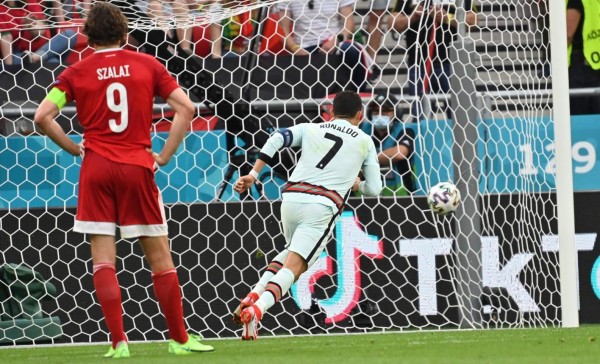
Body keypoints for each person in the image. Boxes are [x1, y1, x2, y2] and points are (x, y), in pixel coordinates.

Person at [33, 2, 214, 358]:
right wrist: (163, 156)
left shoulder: (75, 72)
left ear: (86, 37)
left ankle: (119, 343)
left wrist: (73, 148)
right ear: (126, 34)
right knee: (160, 259)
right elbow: (187, 108)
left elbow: (42, 116)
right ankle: (179, 339)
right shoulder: (148, 64)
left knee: (103, 260)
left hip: (96, 169)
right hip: (137, 166)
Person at [231, 90, 383, 340]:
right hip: (321, 205)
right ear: (360, 114)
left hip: (290, 199)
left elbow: (277, 137)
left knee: (290, 253)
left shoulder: (311, 128)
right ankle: (258, 310)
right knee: (297, 266)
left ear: (331, 112)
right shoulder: (365, 140)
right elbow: (375, 189)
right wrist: (357, 185)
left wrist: (254, 174)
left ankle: (253, 296)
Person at [391, 0, 477, 121]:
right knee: (420, 117)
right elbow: (392, 24)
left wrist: (448, 17)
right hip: (419, 65)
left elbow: (473, 21)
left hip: (452, 64)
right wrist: (412, 17)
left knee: (459, 116)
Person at [278, 0, 370, 92]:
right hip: (303, 47)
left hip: (334, 43)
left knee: (352, 50)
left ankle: (359, 94)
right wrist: (295, 48)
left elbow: (349, 24)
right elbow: (283, 29)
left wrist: (336, 40)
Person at [360, 93, 415, 196]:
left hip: (401, 196)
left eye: (385, 111)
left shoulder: (405, 129)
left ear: (395, 113)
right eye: (376, 111)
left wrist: (367, 160)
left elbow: (400, 153)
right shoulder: (363, 129)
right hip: (367, 196)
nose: (380, 115)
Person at [0, 0, 77, 66]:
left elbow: (41, 30)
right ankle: (36, 58)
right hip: (18, 53)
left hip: (42, 49)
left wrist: (32, 26)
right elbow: (6, 38)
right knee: (53, 62)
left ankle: (34, 57)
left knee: (70, 34)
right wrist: (8, 68)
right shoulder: (1, 10)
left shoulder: (31, 2)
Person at [566, 0, 600, 115]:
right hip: (595, 61)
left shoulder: (575, 2)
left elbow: (567, 34)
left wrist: (555, 59)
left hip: (581, 65)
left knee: (579, 114)